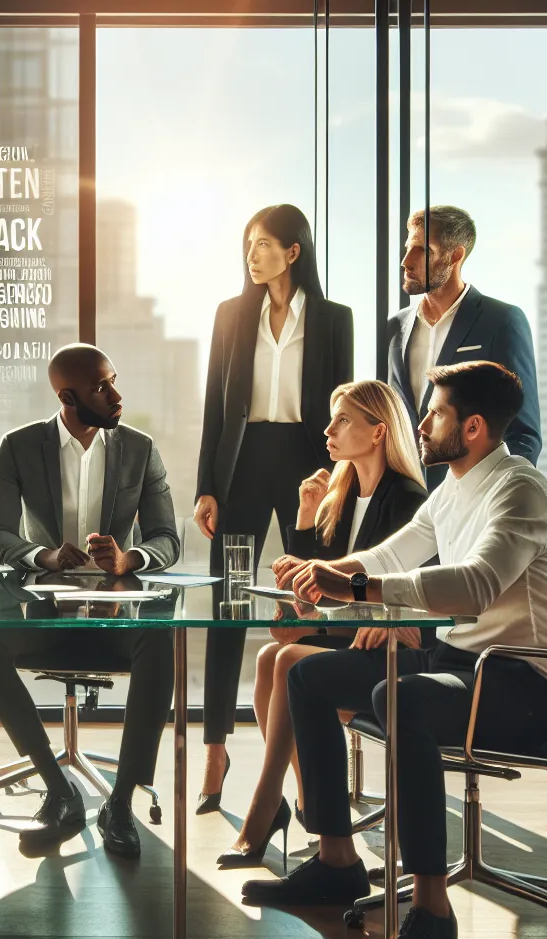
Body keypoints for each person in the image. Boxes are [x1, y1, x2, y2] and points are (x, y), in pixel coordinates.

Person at [244, 361, 547, 939]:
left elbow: (475, 586)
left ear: (472, 427)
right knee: (305, 677)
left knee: (403, 698)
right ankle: (337, 861)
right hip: (458, 663)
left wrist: (360, 584)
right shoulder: (454, 487)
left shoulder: (520, 491)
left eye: (436, 412)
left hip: (515, 682)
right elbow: (394, 553)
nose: (420, 424)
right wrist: (327, 575)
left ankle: (431, 912)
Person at [0, 344, 181, 858]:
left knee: (160, 638)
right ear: (66, 396)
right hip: (45, 613)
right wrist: (41, 555)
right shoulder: (18, 446)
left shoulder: (140, 448)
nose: (115, 395)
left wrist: (129, 560)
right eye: (101, 387)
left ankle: (121, 802)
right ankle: (57, 788)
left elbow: (169, 540)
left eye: (113, 381)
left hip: (115, 616)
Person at [217, 380, 426, 866]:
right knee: (273, 655)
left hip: (393, 644)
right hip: (352, 637)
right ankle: (313, 801)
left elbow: (410, 588)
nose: (328, 429)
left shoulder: (408, 499)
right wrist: (305, 516)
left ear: (378, 433)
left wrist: (319, 618)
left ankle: (267, 810)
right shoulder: (343, 494)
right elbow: (326, 589)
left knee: (287, 660)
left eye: (343, 420)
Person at [193, 205, 354, 815]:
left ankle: (308, 759)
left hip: (308, 469)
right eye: (247, 244)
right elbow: (216, 404)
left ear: (293, 252)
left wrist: (339, 484)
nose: (251, 254)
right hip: (242, 468)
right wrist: (208, 485)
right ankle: (214, 751)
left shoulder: (336, 320)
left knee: (308, 602)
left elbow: (341, 407)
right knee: (230, 604)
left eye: (263, 244)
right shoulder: (231, 316)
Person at [386, 205, 542, 488]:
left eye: (424, 250)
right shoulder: (396, 327)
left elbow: (524, 435)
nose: (406, 261)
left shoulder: (502, 321)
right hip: (407, 503)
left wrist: (490, 499)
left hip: (472, 502)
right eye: (408, 248)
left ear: (456, 255)